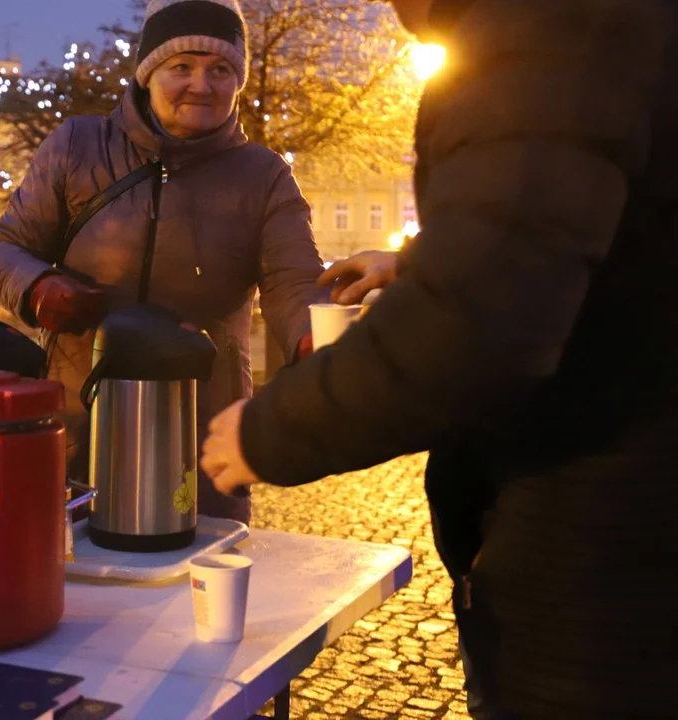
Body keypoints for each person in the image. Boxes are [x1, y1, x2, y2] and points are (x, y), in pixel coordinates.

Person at [201, 0, 677, 717]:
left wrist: (267, 430)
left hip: (603, 559)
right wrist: (421, 260)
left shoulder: (542, 25)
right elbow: (581, 222)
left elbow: (481, 316)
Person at [0, 0, 393, 523]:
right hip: (78, 421)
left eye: (221, 70)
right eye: (182, 66)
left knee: (196, 575)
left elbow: (293, 280)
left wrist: (312, 337)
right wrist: (38, 287)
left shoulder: (263, 175)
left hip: (203, 433)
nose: (202, 84)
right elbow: (2, 247)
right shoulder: (78, 147)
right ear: (148, 73)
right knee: (72, 575)